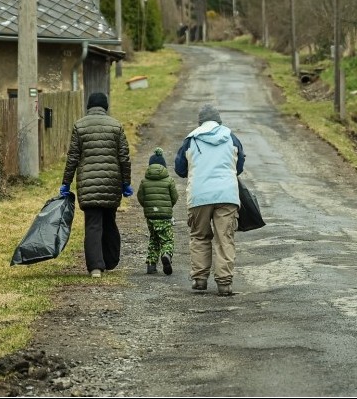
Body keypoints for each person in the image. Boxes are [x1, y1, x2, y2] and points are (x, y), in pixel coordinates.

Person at [174, 104, 245, 296]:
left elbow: (180, 169)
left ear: (200, 122)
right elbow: (239, 166)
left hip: (199, 195)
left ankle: (200, 279)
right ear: (219, 121)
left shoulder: (190, 140)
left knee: (199, 236)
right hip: (227, 195)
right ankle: (224, 283)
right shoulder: (231, 137)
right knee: (225, 238)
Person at [60, 91, 132, 278]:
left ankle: (96, 268)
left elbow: (73, 157)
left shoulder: (79, 126)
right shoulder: (116, 126)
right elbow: (124, 157)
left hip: (88, 185)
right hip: (111, 182)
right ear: (105, 107)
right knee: (109, 221)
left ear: (89, 106)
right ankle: (110, 260)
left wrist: (66, 182)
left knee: (93, 224)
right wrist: (126, 182)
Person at [137, 147, 179, 275]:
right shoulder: (169, 180)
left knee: (154, 239)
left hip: (150, 216)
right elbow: (174, 197)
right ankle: (166, 254)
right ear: (164, 166)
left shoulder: (144, 181)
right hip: (165, 216)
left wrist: (147, 207)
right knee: (167, 239)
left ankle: (151, 264)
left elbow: (140, 197)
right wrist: (168, 206)